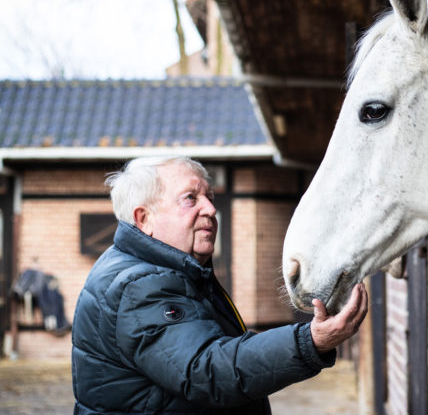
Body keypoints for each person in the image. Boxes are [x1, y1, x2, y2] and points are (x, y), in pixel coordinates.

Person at [71, 156, 368, 414]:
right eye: (190, 198)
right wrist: (310, 341)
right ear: (144, 218)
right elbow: (206, 370)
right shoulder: (141, 285)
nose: (211, 210)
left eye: (209, 197)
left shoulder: (151, 267)